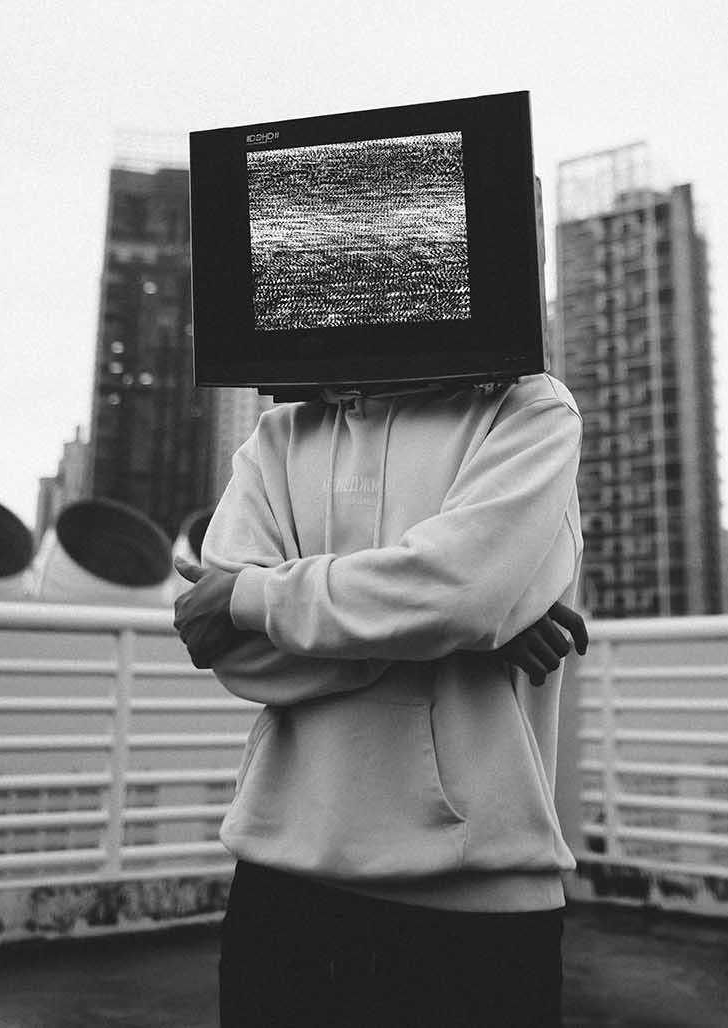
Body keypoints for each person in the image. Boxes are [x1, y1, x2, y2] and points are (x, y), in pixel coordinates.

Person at [173, 370, 584, 1027]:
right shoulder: (279, 433)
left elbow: (459, 597)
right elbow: (235, 654)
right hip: (281, 882)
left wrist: (253, 598)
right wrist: (449, 625)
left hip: (478, 895)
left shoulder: (526, 406)